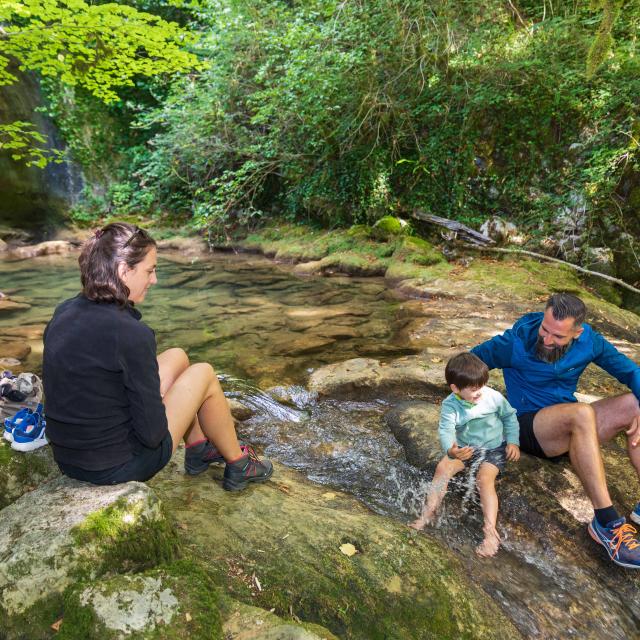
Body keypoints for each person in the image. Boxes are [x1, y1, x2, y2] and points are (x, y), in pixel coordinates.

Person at [43, 222, 273, 490]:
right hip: (117, 466)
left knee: (178, 356)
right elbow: (152, 435)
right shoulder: (130, 333)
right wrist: (163, 399)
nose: (154, 280)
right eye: (150, 271)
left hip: (68, 458)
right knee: (204, 373)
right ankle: (240, 464)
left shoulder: (65, 311)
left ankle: (198, 447)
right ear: (123, 270)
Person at [471, 292, 640, 568]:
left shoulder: (590, 341)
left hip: (570, 425)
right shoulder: (515, 342)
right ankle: (607, 524)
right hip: (528, 427)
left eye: (558, 337)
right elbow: (467, 365)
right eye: (545, 330)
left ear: (577, 332)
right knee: (582, 412)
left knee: (635, 403)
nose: (547, 340)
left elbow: (632, 373)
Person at [410, 352, 520, 557]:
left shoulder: (493, 397)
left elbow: (509, 417)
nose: (480, 392)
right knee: (442, 468)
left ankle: (490, 532)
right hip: (465, 448)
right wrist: (451, 449)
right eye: (474, 389)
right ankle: (428, 513)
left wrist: (513, 441)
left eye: (482, 386)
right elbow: (446, 429)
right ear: (455, 389)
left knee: (484, 479)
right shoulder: (450, 404)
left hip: (493, 448)